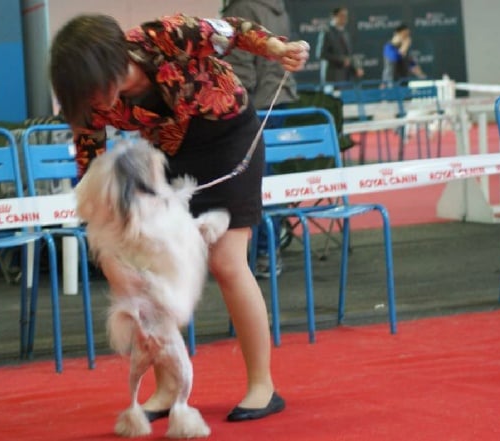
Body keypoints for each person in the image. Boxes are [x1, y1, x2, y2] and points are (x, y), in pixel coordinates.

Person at [49, 13, 309, 421]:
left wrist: (277, 49)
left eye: (95, 90)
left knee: (226, 262)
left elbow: (233, 30)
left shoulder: (163, 37)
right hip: (168, 154)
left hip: (229, 138)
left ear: (114, 63)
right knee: (151, 278)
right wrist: (110, 255)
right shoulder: (86, 104)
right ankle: (169, 386)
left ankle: (262, 385)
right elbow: (92, 179)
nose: (94, 105)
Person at [221, 0, 298, 278]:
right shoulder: (277, 7)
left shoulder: (241, 9)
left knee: (256, 180)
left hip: (256, 108)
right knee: (270, 179)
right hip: (281, 100)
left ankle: (262, 252)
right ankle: (268, 249)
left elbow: (240, 74)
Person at [316, 6, 364, 85]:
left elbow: (349, 54)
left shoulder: (345, 33)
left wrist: (356, 67)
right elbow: (321, 54)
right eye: (342, 15)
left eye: (346, 16)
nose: (345, 18)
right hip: (332, 76)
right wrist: (341, 60)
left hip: (346, 76)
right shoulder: (326, 32)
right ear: (334, 16)